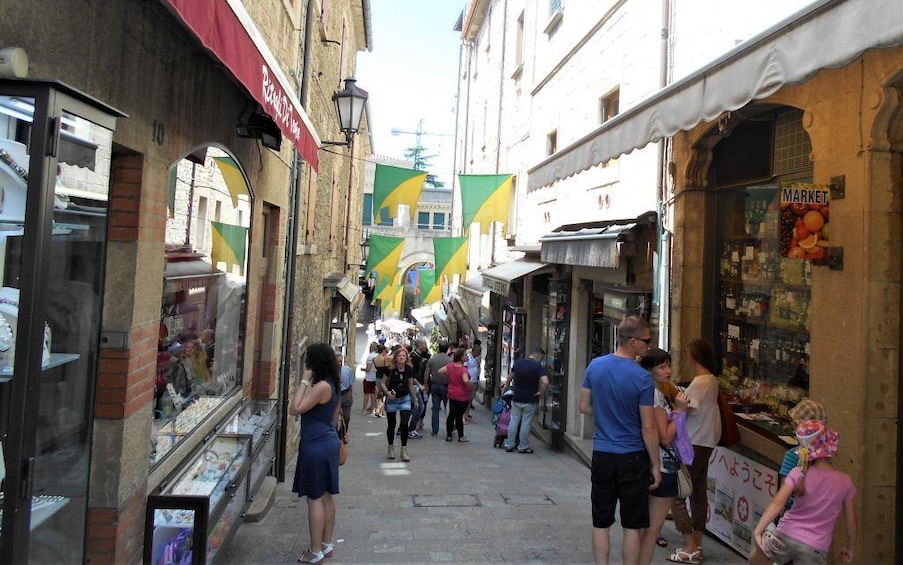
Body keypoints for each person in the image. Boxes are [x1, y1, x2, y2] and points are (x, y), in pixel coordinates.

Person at [578, 316, 660, 565]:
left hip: (602, 454)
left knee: (601, 522)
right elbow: (648, 426)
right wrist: (656, 465)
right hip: (633, 457)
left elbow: (583, 406)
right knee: (632, 525)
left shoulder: (595, 366)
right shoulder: (643, 378)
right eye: (647, 340)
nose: (649, 345)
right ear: (632, 341)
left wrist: (604, 412)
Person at [752, 419, 857, 564]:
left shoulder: (798, 472)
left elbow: (777, 504)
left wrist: (758, 531)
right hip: (815, 547)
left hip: (784, 535)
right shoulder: (845, 482)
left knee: (757, 559)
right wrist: (850, 548)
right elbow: (851, 523)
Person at [748, 399, 828, 565]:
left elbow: (783, 496)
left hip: (791, 522)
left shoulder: (793, 455)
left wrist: (760, 529)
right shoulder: (825, 460)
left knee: (759, 558)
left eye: (794, 424)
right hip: (817, 528)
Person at [667, 338, 721, 564]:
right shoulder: (711, 380)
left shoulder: (701, 382)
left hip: (695, 440)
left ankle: (689, 543)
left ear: (694, 356)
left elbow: (686, 405)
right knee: (698, 491)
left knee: (676, 491)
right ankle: (696, 544)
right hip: (705, 439)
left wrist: (671, 393)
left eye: (688, 353)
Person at [637, 348, 689, 564]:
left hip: (649, 463)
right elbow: (665, 438)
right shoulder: (655, 396)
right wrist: (680, 410)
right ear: (650, 370)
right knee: (652, 529)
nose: (668, 371)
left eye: (669, 365)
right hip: (663, 465)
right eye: (662, 367)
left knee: (645, 527)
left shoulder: (651, 391)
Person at [290, 343, 341, 564]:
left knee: (315, 498)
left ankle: (314, 551)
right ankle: (326, 544)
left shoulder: (320, 386)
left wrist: (303, 380)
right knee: (327, 496)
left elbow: (295, 409)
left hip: (315, 443)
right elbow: (334, 415)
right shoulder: (334, 384)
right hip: (328, 440)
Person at [502, 346, 549, 454]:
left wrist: (506, 386)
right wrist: (541, 392)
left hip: (517, 397)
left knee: (513, 421)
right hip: (529, 399)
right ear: (538, 356)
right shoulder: (537, 367)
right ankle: (523, 446)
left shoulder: (519, 362)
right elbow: (545, 382)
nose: (541, 361)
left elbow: (510, 376)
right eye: (541, 359)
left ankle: (509, 444)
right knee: (525, 423)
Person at [378, 346, 419, 461]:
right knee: (392, 424)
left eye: (404, 356)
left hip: (404, 399)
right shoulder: (390, 369)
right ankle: (390, 448)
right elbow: (382, 383)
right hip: (392, 400)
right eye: (399, 356)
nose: (401, 357)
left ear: (406, 358)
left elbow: (411, 385)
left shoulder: (409, 369)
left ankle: (404, 449)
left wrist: (415, 400)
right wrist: (387, 392)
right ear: (395, 358)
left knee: (405, 424)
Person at [438, 347, 473, 442]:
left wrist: (449, 377)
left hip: (452, 393)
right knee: (459, 415)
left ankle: (449, 435)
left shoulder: (450, 366)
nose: (467, 356)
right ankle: (461, 436)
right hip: (462, 395)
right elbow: (466, 380)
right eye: (465, 355)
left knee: (451, 414)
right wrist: (471, 386)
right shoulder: (463, 370)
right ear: (461, 358)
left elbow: (440, 371)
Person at [424, 340, 452, 436]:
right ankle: (450, 428)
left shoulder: (432, 359)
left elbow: (427, 373)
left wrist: (426, 384)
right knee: (447, 408)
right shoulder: (450, 360)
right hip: (446, 385)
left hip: (434, 385)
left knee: (435, 408)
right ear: (447, 348)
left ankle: (434, 429)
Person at [406, 338, 430, 437]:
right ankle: (411, 428)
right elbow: (412, 374)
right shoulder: (414, 357)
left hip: (417, 385)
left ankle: (403, 428)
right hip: (415, 386)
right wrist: (419, 385)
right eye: (424, 344)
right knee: (419, 407)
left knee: (413, 408)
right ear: (419, 345)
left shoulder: (418, 356)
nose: (426, 346)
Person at [336, 352, 354, 443]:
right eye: (338, 361)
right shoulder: (330, 372)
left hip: (345, 394)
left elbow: (350, 384)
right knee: (333, 417)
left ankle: (342, 434)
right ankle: (334, 435)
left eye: (341, 361)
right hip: (335, 395)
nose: (339, 363)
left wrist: (351, 395)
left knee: (346, 417)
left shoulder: (347, 370)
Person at [464, 340, 482, 422]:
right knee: (466, 399)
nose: (478, 354)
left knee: (470, 399)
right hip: (469, 381)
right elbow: (464, 368)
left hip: (474, 380)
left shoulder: (476, 359)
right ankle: (464, 415)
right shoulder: (468, 357)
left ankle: (466, 414)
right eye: (478, 352)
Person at [360, 342, 378, 415]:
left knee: (367, 393)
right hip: (375, 377)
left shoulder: (370, 356)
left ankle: (364, 409)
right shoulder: (377, 356)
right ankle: (373, 407)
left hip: (369, 377)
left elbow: (368, 368)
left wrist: (362, 369)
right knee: (373, 393)